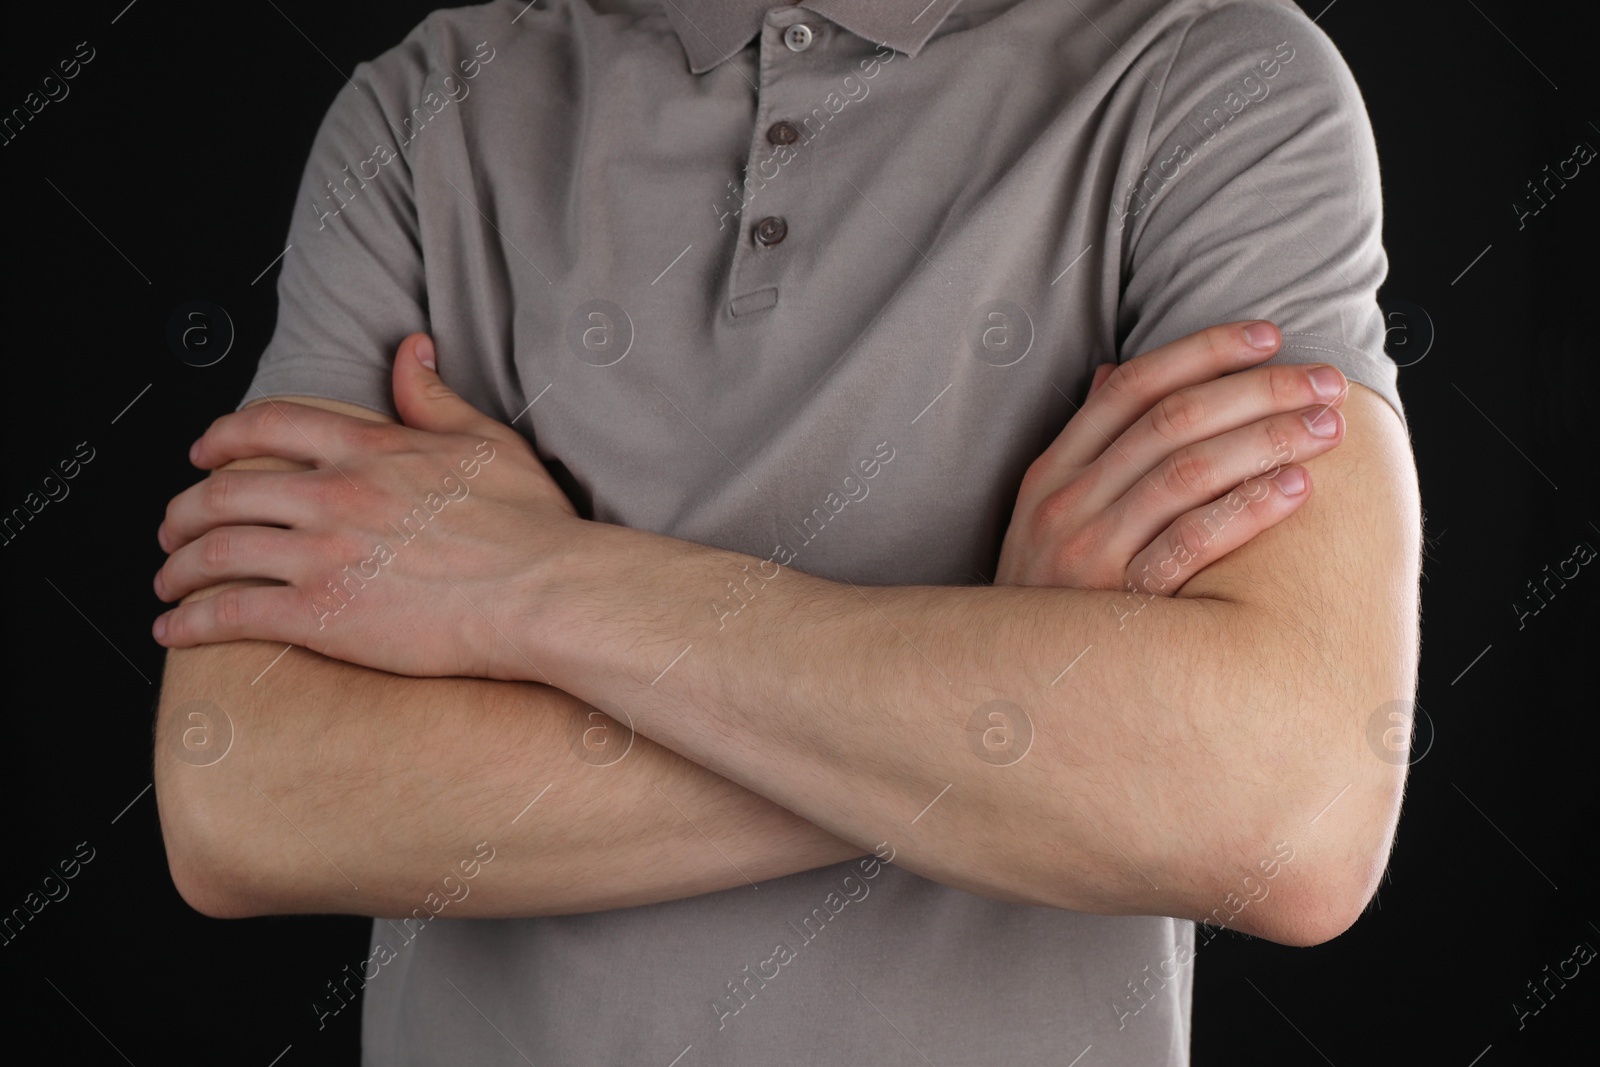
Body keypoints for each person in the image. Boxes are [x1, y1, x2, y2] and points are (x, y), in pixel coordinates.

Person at [150, 0, 1421, 1063]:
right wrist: (995, 691)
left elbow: (1290, 815)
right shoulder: (427, 104)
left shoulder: (1216, 78)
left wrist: (537, 585)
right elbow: (243, 791)